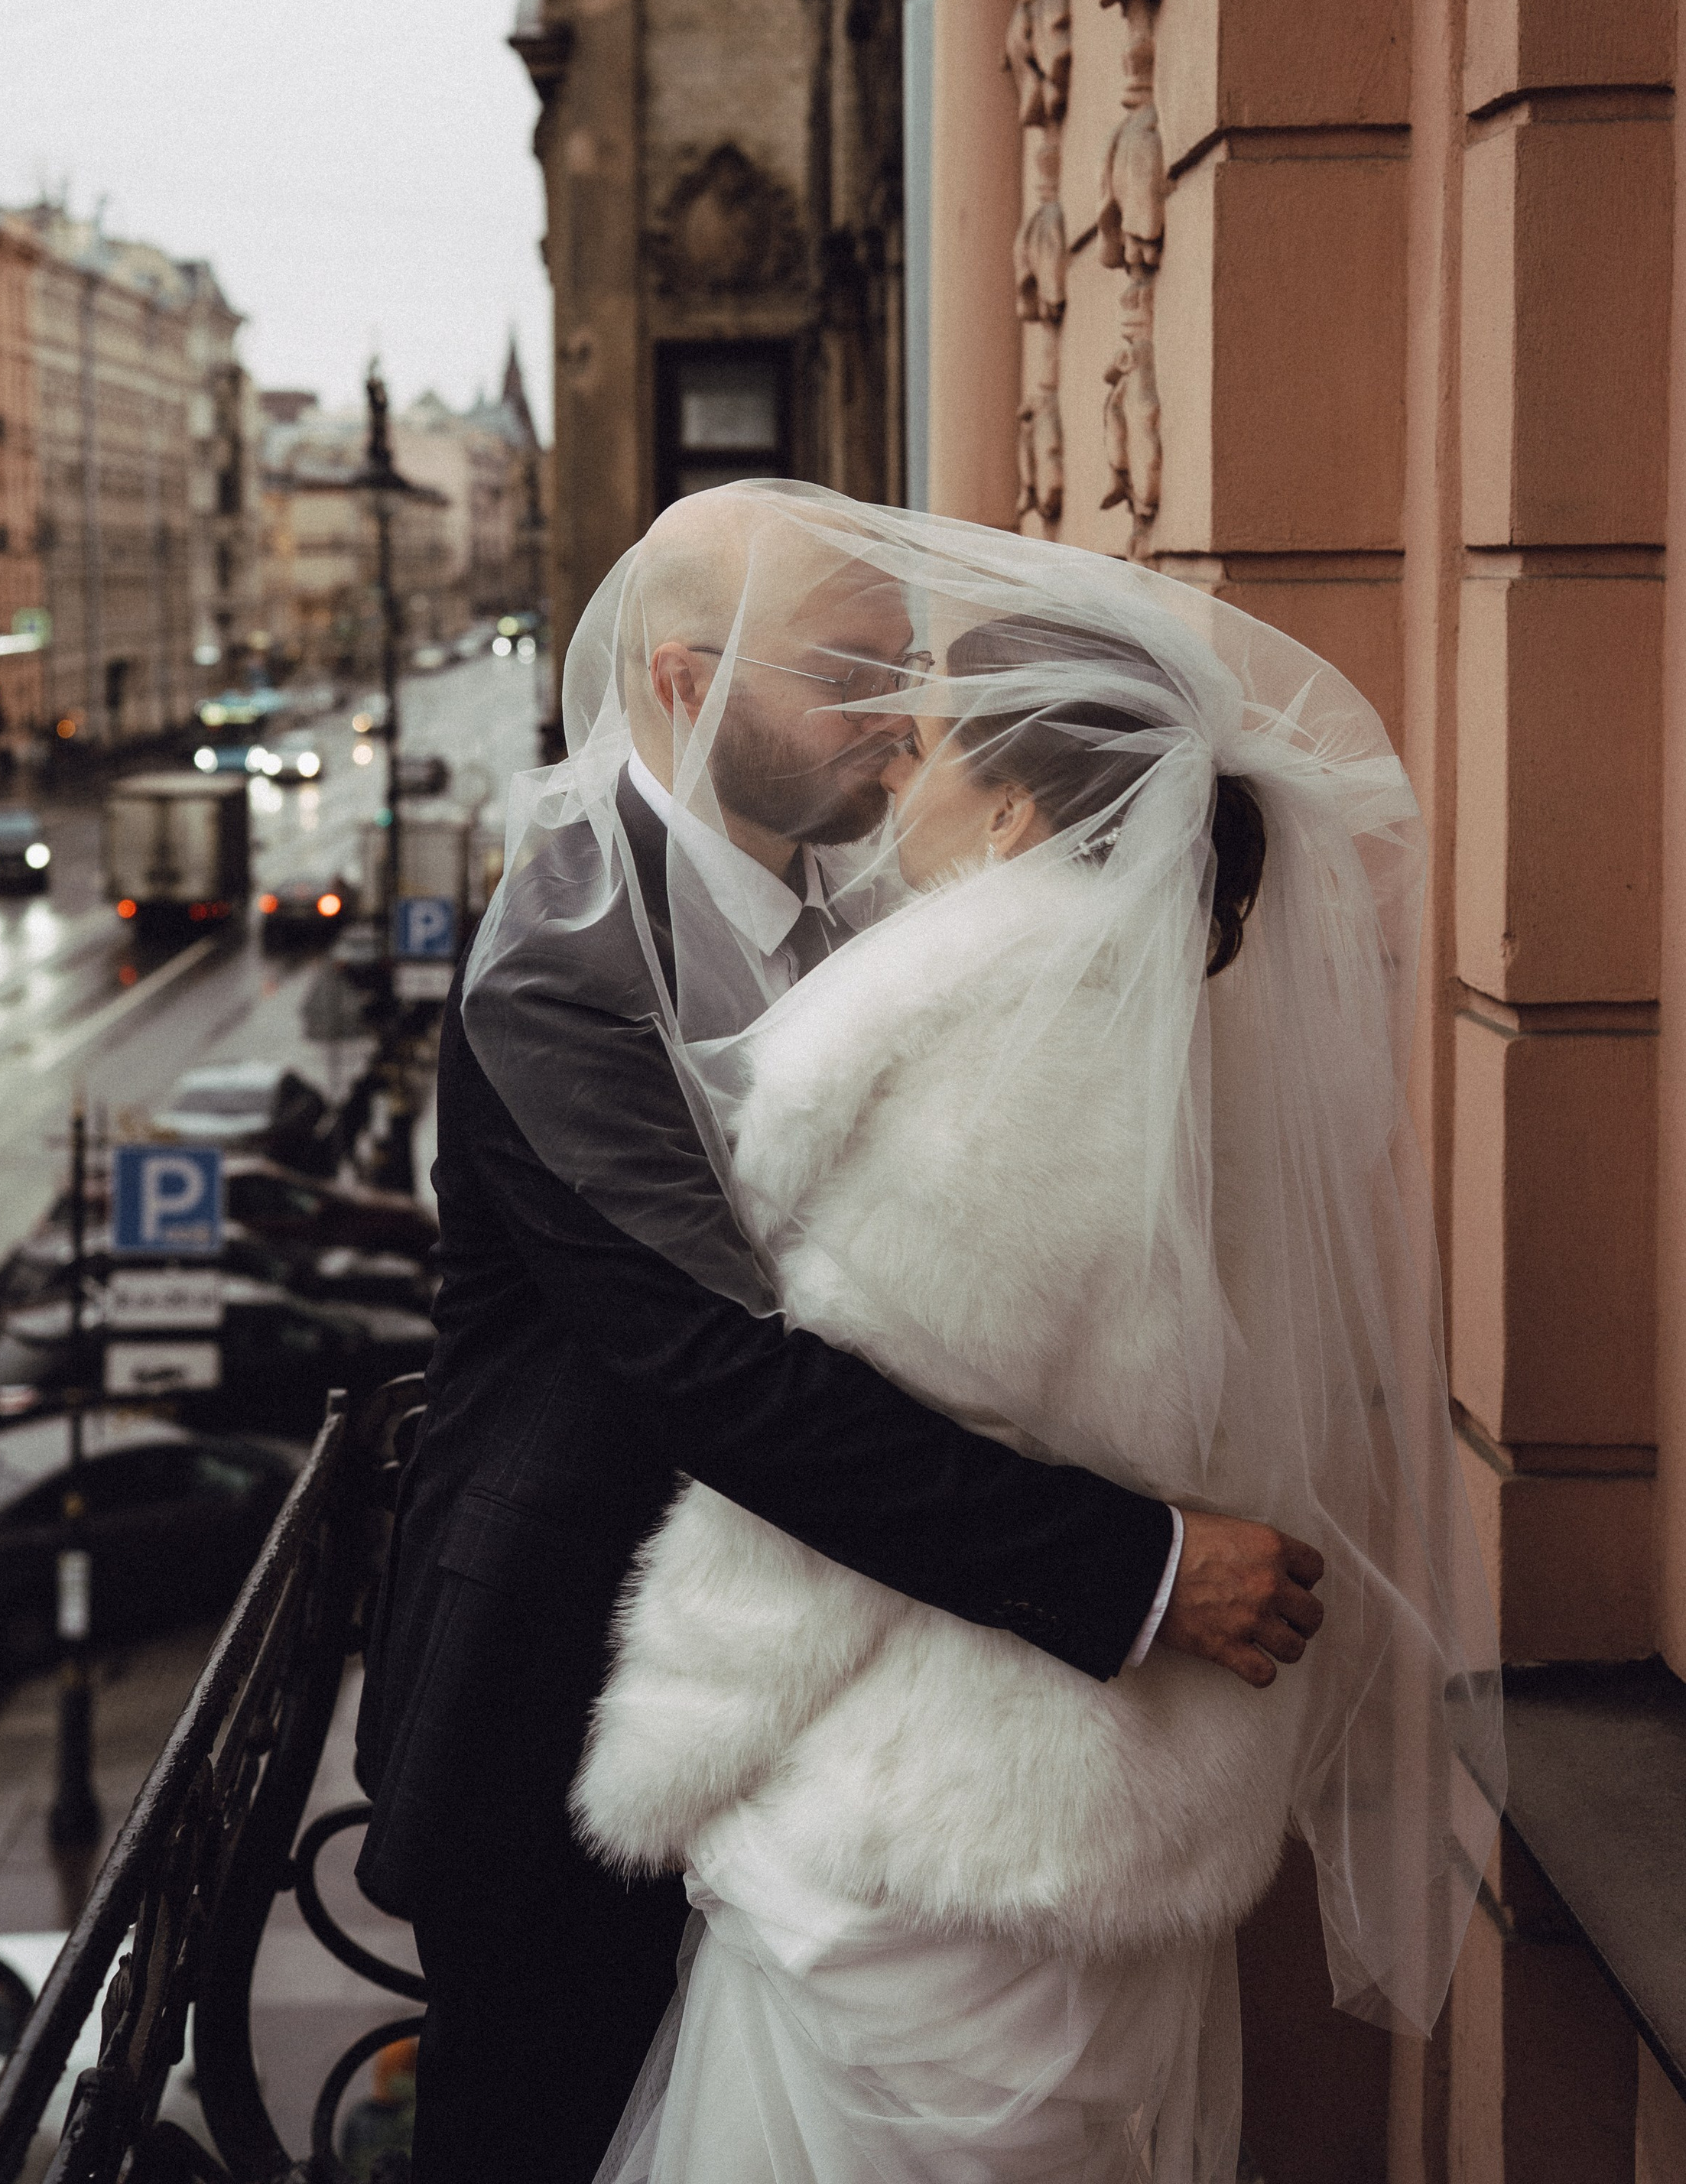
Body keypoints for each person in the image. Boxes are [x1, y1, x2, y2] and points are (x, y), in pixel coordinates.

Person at [353, 487, 1332, 2184]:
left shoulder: (872, 908)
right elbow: (717, 1376)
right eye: (849, 676)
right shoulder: (566, 966)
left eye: (905, 676)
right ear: (681, 678)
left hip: (807, 1730)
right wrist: (1137, 1568)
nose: (896, 727)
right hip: (554, 1705)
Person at [570, 515, 1504, 2182]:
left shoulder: (995, 1042)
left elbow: (854, 1442)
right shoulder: (1168, 1027)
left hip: (939, 1834)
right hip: (1094, 1800)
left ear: (1007, 809)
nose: (891, 772)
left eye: (926, 747)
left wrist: (678, 1754)